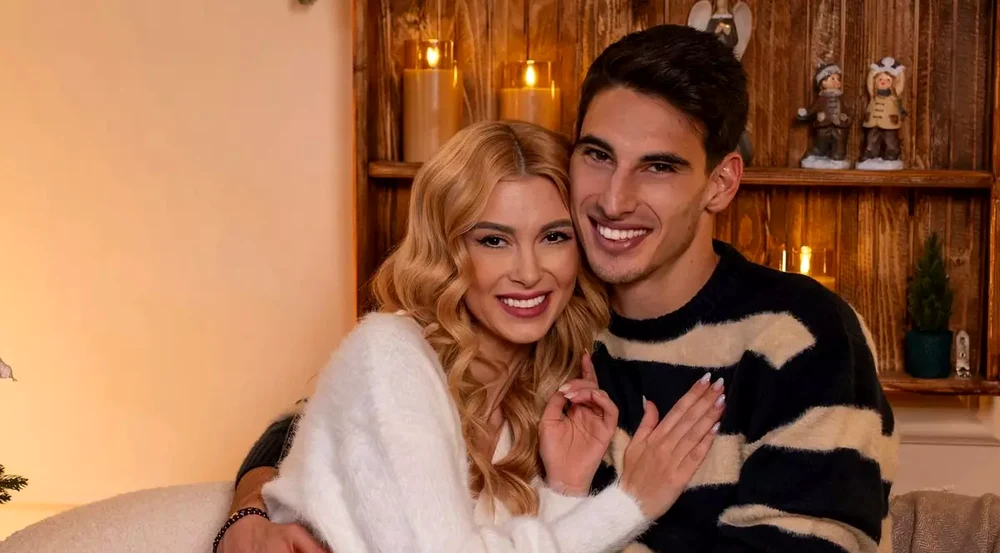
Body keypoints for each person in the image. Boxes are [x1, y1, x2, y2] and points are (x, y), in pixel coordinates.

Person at [220, 23, 898, 553]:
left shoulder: (801, 335)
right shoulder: (554, 320)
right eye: (598, 155)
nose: (614, 199)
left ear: (720, 183)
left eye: (658, 167)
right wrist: (248, 514)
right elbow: (329, 424)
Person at [215, 119, 725, 553]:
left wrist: (565, 488)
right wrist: (631, 503)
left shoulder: (539, 395)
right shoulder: (388, 352)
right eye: (494, 240)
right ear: (448, 251)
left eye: (554, 237)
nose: (529, 272)